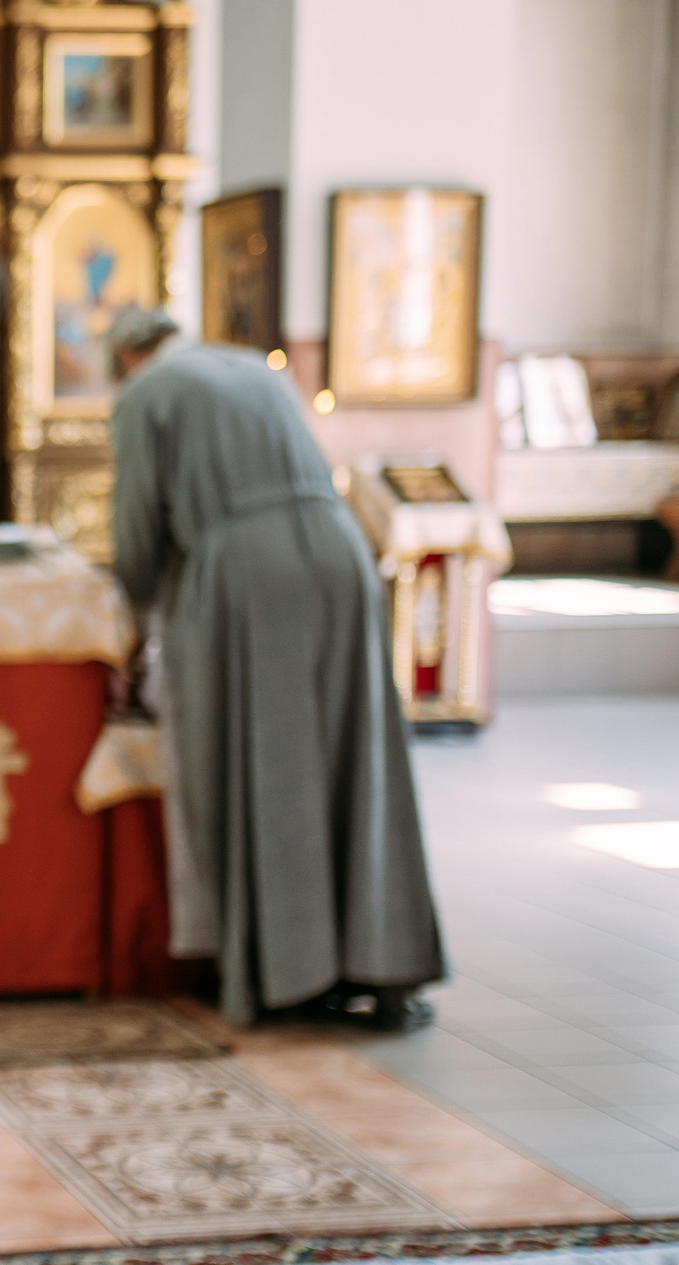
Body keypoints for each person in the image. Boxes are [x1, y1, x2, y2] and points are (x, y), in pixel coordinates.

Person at [106, 307, 444, 1031]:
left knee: (265, 765)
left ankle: (281, 974)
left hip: (245, 574)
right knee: (358, 760)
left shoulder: (145, 394)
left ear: (127, 356)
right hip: (337, 550)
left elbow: (136, 535)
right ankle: (384, 970)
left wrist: (129, 621)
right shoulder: (255, 366)